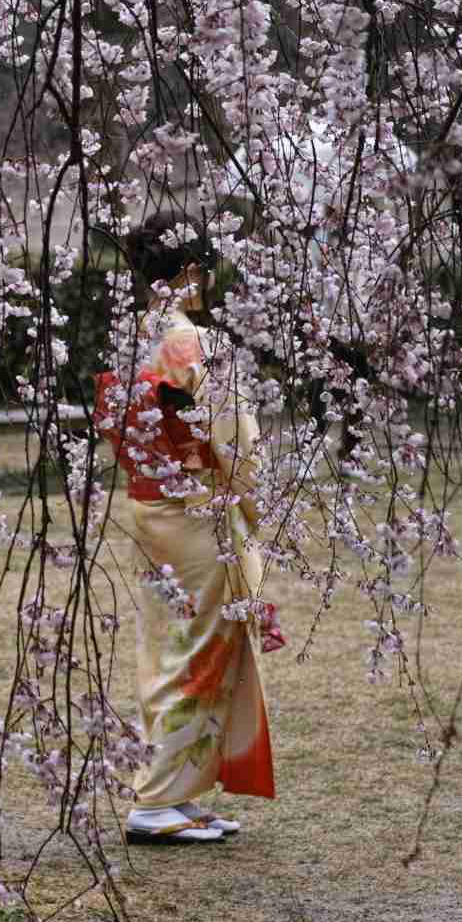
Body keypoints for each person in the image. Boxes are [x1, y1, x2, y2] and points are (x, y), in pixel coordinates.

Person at [95, 211, 280, 845]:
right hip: (191, 508)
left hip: (153, 503)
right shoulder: (181, 338)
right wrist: (251, 493)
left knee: (172, 646)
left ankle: (181, 794)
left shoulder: (136, 330)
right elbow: (227, 430)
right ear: (191, 270)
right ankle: (155, 800)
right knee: (194, 649)